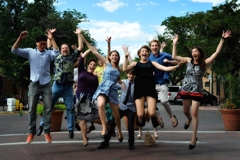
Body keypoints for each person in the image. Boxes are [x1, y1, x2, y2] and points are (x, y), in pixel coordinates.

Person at [172, 30, 232, 150]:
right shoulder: (188, 60)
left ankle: (193, 137)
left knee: (194, 113)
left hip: (197, 90)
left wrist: (223, 39)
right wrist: (174, 43)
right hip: (185, 88)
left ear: (199, 53)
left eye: (196, 51)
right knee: (185, 111)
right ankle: (188, 119)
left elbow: (217, 52)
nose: (194, 52)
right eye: (192, 51)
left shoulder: (205, 63)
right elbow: (174, 57)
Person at [122, 45, 185, 140]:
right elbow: (124, 69)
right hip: (139, 90)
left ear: (148, 53)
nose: (144, 52)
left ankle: (157, 120)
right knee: (140, 114)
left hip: (150, 90)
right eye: (142, 51)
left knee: (152, 113)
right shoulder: (136, 64)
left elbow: (165, 68)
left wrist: (176, 66)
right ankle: (140, 124)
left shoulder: (153, 63)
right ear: (139, 54)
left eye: (146, 51)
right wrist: (126, 57)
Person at [11, 30, 60, 144]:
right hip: (34, 84)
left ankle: (47, 132)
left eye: (44, 43)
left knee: (48, 109)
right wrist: (19, 38)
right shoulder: (30, 52)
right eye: (40, 43)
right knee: (31, 110)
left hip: (46, 83)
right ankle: (31, 132)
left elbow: (56, 52)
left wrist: (52, 39)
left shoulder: (48, 53)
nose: (43, 46)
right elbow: (14, 50)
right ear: (36, 43)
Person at [37, 28, 83, 139]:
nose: (65, 49)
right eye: (63, 48)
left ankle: (70, 129)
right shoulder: (56, 57)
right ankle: (42, 125)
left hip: (67, 86)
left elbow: (80, 47)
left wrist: (79, 34)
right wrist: (50, 37)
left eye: (66, 48)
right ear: (61, 50)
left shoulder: (72, 58)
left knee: (70, 107)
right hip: (57, 85)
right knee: (49, 106)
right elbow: (49, 48)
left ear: (68, 50)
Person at [80, 33, 123, 145]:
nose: (114, 56)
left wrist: (121, 82)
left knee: (117, 116)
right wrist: (82, 37)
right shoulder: (107, 64)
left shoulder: (118, 68)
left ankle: (119, 130)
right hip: (103, 88)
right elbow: (94, 51)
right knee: (100, 105)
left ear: (118, 58)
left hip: (112, 90)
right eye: (112, 55)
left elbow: (118, 79)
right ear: (109, 57)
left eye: (116, 55)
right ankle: (104, 127)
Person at [148, 39, 179, 132]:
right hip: (152, 83)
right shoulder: (149, 58)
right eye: (152, 46)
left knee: (164, 101)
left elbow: (177, 62)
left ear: (158, 46)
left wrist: (169, 61)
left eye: (156, 45)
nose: (154, 47)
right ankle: (158, 118)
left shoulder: (165, 55)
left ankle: (171, 116)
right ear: (150, 47)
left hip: (162, 82)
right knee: (149, 105)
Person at [101, 69, 136, 150]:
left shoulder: (136, 84)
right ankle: (106, 142)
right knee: (113, 124)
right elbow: (113, 84)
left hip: (131, 108)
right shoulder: (123, 82)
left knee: (130, 127)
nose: (131, 76)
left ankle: (131, 144)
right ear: (127, 74)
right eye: (129, 74)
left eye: (133, 75)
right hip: (122, 107)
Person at [74, 47, 102, 146]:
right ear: (88, 65)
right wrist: (90, 49)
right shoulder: (82, 71)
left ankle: (107, 126)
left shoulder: (95, 77)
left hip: (90, 98)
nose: (92, 66)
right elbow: (82, 58)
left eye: (94, 65)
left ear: (95, 67)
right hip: (80, 96)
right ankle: (84, 138)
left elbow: (96, 89)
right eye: (91, 64)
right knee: (82, 118)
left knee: (94, 118)